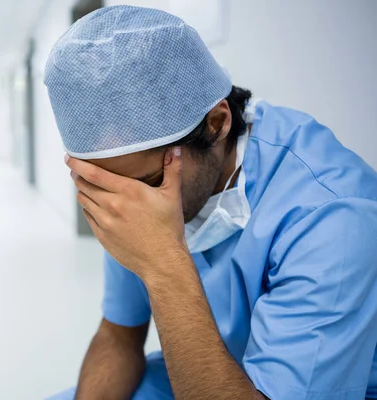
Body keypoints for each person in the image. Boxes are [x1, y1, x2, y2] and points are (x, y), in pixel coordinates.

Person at [43, 5, 377, 400]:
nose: (127, 207)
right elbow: (120, 334)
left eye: (149, 183)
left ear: (217, 124)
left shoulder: (331, 215)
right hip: (202, 361)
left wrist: (164, 263)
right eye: (107, 189)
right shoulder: (128, 186)